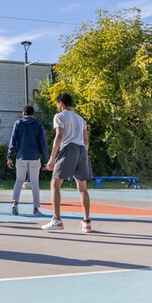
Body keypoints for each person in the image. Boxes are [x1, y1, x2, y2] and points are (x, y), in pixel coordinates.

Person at [42, 92, 92, 233]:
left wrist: (52, 158)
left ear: (61, 103)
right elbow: (86, 140)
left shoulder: (59, 116)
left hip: (68, 148)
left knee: (55, 184)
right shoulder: (81, 119)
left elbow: (59, 135)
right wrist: (84, 155)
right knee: (82, 187)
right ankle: (86, 222)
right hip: (82, 149)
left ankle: (57, 220)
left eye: (58, 104)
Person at [7, 105, 49, 215]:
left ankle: (15, 203)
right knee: (35, 182)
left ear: (23, 113)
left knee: (19, 180)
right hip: (34, 157)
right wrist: (46, 160)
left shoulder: (18, 124)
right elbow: (43, 144)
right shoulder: (38, 125)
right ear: (33, 113)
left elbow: (13, 141)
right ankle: (35, 208)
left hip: (21, 156)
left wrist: (9, 156)